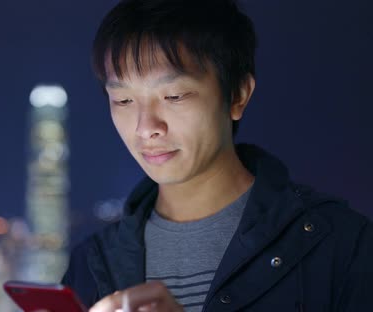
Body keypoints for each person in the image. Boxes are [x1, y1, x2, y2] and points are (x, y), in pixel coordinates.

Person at [61, 0, 373, 311]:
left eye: (174, 96)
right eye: (124, 100)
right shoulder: (90, 266)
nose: (146, 128)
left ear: (237, 95)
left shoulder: (339, 244)